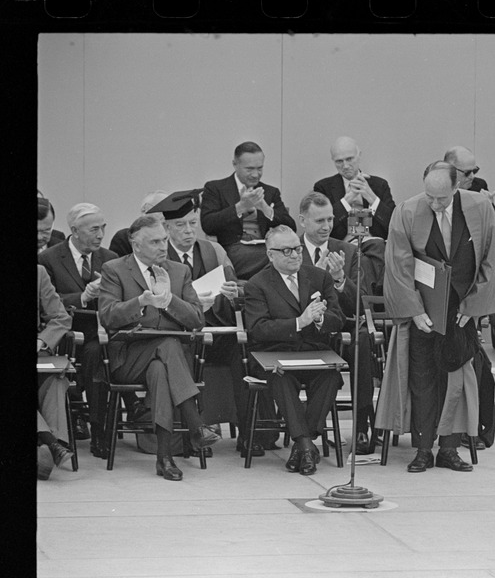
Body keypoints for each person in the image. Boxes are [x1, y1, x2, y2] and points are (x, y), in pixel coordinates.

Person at [376, 162, 495, 473]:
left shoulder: (480, 208)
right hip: (423, 310)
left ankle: (449, 448)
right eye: (430, 197)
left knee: (456, 381)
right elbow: (398, 265)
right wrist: (415, 311)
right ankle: (422, 449)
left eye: (442, 199)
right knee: (421, 380)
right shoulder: (407, 211)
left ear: (456, 187)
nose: (435, 204)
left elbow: (490, 259)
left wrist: (472, 308)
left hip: (460, 311)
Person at [98, 215, 221, 481]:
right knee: (168, 346)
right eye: (155, 242)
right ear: (136, 245)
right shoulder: (114, 269)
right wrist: (141, 301)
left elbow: (198, 320)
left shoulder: (179, 271)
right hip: (129, 357)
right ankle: (195, 425)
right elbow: (107, 316)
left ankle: (164, 458)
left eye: (164, 240)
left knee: (160, 369)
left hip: (168, 361)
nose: (163, 246)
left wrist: (168, 301)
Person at [150, 190, 265, 458]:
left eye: (192, 223)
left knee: (244, 356)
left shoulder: (213, 250)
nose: (189, 231)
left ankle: (249, 434)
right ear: (166, 228)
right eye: (180, 225)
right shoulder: (159, 256)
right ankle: (193, 435)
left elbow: (235, 290)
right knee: (182, 356)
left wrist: (232, 292)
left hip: (217, 330)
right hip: (180, 335)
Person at [243, 225, 345, 476]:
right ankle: (306, 444)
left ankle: (303, 445)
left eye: (297, 249)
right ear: (271, 255)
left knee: (331, 375)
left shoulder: (319, 277)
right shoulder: (257, 284)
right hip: (275, 354)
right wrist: (301, 322)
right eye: (286, 251)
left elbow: (338, 318)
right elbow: (258, 329)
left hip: (313, 350)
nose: (295, 255)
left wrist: (320, 320)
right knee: (281, 378)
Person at [298, 191, 377, 454]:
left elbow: (360, 303)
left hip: (340, 328)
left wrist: (340, 280)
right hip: (305, 330)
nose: (327, 226)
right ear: (303, 221)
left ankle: (362, 427)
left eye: (330, 219)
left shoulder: (348, 251)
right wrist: (317, 276)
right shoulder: (290, 250)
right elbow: (287, 300)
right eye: (319, 221)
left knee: (362, 340)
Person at [38, 203, 119, 455]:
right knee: (91, 355)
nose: (100, 234)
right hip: (67, 337)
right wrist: (82, 296)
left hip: (101, 332)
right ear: (74, 230)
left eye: (103, 228)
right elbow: (47, 304)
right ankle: (85, 433)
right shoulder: (48, 258)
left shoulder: (111, 259)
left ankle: (98, 431)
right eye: (94, 229)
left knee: (99, 353)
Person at [443, 145, 495, 345]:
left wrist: (488, 208)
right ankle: (493, 317)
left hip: (475, 251)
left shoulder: (478, 186)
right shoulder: (441, 185)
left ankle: (490, 317)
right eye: (467, 172)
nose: (472, 176)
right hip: (451, 251)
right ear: (450, 170)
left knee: (488, 256)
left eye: (475, 170)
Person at [201, 142, 298, 279]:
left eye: (260, 168)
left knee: (290, 255)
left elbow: (291, 227)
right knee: (282, 258)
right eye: (249, 169)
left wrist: (265, 208)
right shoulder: (216, 188)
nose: (255, 174)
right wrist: (240, 207)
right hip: (234, 249)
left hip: (266, 247)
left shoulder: (270, 192)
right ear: (235, 164)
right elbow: (208, 224)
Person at [313, 136, 396, 241]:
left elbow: (395, 224)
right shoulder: (323, 187)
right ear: (333, 161)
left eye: (349, 159)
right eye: (339, 161)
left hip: (375, 246)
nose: (345, 166)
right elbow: (320, 226)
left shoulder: (380, 185)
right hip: (340, 248)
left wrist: (372, 199)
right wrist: (346, 201)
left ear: (359, 155)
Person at [38, 265, 75, 477]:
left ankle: (46, 448)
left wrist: (41, 341)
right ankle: (52, 445)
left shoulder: (38, 273)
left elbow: (61, 318)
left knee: (56, 379)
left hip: (38, 355)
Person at [108, 190, 170, 257]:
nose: (166, 215)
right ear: (144, 210)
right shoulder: (124, 238)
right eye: (162, 209)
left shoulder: (175, 238)